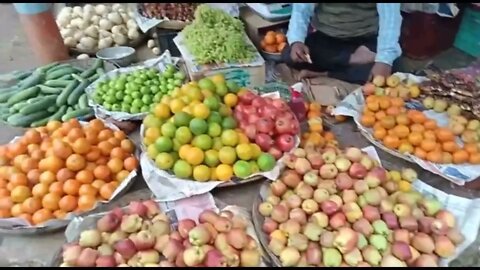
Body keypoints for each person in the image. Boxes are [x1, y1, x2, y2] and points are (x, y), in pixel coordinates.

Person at [282, 3, 402, 84]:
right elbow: (301, 9)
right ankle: (351, 60)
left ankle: (326, 73)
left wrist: (384, 60)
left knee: (386, 70)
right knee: (290, 54)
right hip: (328, 39)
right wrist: (297, 41)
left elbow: (390, 18)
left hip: (367, 38)